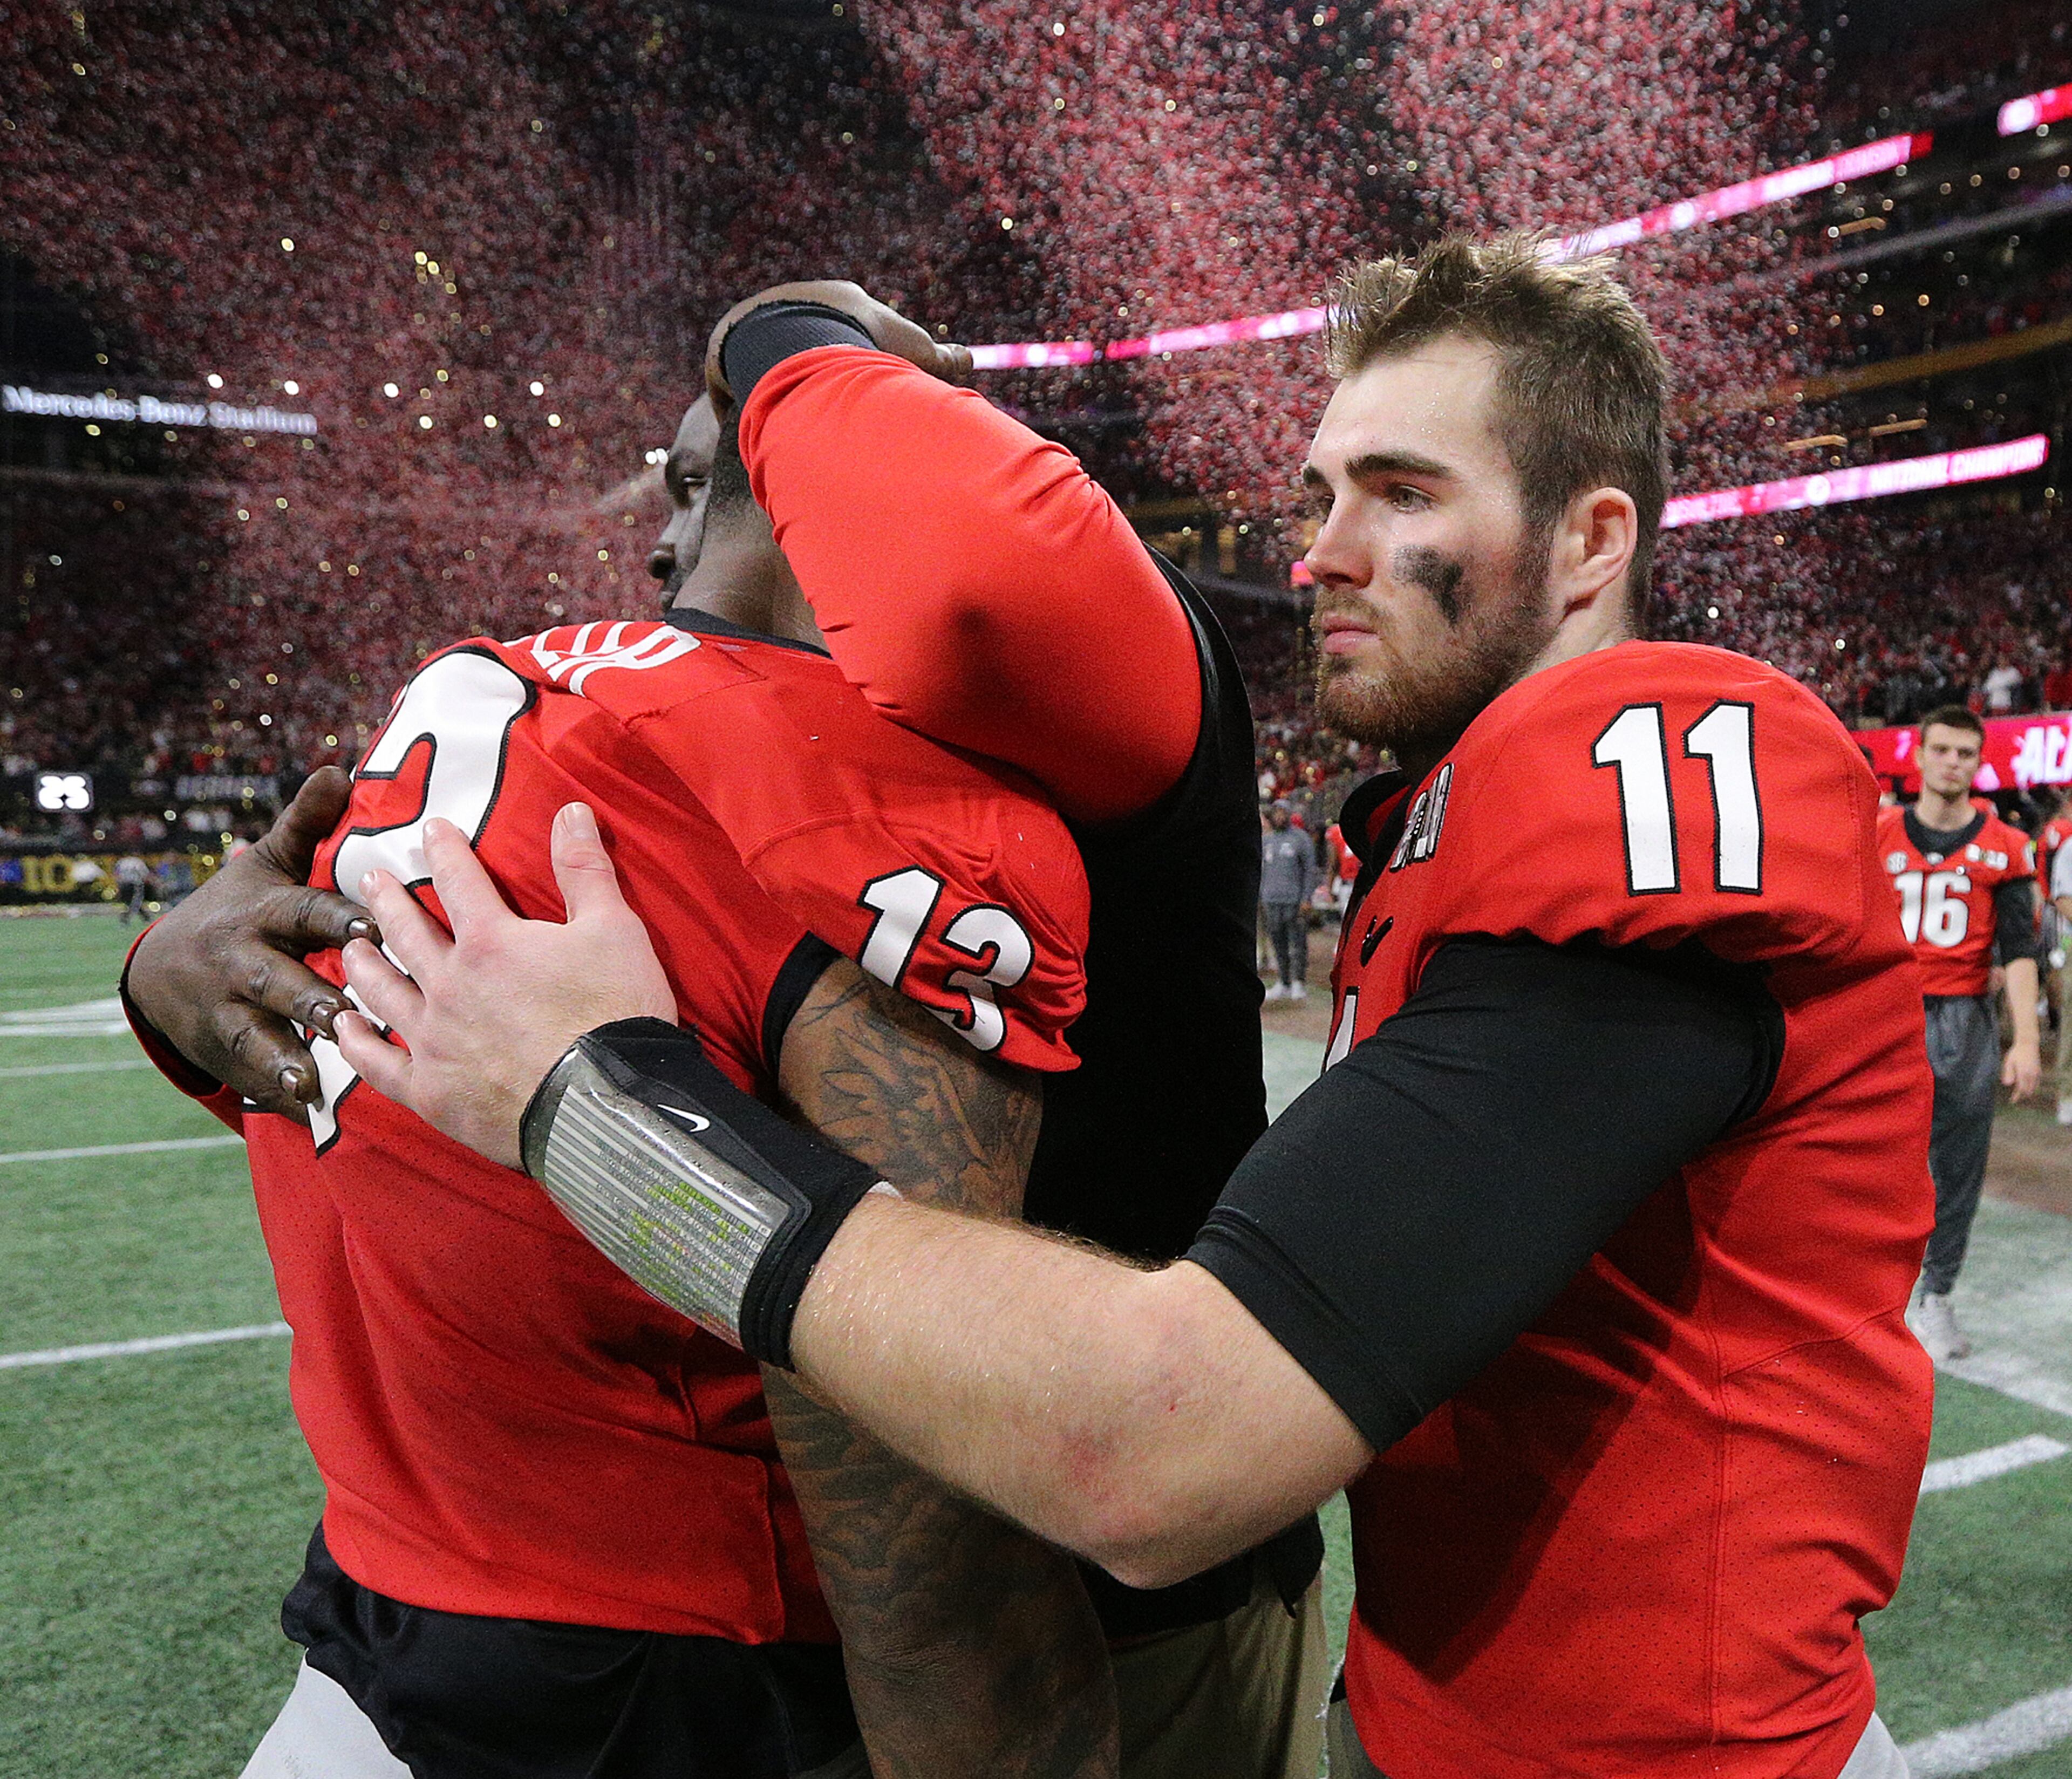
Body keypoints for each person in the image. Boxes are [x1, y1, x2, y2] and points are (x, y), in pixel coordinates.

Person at [337, 235, 1935, 1779]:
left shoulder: (1656, 751)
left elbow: (1163, 1445)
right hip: (1430, 1707)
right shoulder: (1440, 828)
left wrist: (594, 1098)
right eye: (1318, 496)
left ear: (1592, 544)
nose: (1316, 552)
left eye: (1400, 494)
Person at [125, 284, 1328, 1778]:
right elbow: (926, 1560)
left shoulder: (481, 699)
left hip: (380, 1646)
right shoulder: (858, 803)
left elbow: (348, 1100)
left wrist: (157, 973)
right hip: (681, 1671)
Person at [1877, 706, 2042, 1362]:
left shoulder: (2003, 845)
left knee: (1958, 1169)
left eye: (1965, 754)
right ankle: (1872, 1296)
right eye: (1941, 750)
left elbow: (2019, 950)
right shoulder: (1879, 834)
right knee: (1870, 1162)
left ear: (1979, 764)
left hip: (1964, 1018)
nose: (1952, 763)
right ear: (1919, 757)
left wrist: (2024, 1040)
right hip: (1886, 1015)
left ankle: (1936, 1295)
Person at [2032, 786, 2072, 1124]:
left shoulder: (2056, 833)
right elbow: (2063, 899)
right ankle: (2068, 1095)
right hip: (2060, 924)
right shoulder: (2066, 839)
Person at [1258, 801, 1314, 1000]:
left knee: (1297, 943)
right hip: (1271, 899)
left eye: (1283, 812)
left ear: (1289, 814)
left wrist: (1307, 898)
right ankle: (1284, 982)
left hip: (1294, 899)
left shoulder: (1301, 839)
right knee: (1278, 942)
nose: (1280, 816)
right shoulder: (1267, 841)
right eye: (1277, 813)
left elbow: (1309, 871)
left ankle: (1299, 982)